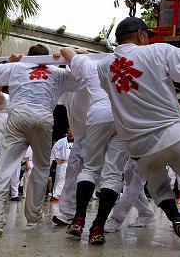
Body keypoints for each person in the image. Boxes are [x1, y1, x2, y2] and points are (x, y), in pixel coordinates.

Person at [97, 16, 180, 249]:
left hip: (137, 142)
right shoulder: (157, 51)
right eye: (147, 35)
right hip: (171, 133)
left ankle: (176, 218)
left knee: (159, 186)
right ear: (141, 35)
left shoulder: (103, 66)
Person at [0, 44, 82, 237]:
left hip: (17, 116)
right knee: (42, 168)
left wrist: (9, 61)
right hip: (43, 118)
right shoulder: (57, 71)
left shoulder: (17, 66)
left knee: (5, 169)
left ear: (28, 56)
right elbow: (79, 78)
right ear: (47, 57)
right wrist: (70, 57)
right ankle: (34, 218)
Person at [59, 47, 128, 245]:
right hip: (123, 117)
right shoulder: (128, 67)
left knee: (90, 168)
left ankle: (78, 219)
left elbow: (66, 51)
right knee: (113, 174)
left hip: (98, 115)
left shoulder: (91, 65)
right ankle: (97, 227)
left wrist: (80, 52)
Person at [52, 86, 90, 226]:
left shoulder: (94, 71)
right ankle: (69, 214)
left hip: (97, 133)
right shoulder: (69, 80)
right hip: (80, 136)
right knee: (72, 172)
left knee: (108, 177)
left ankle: (113, 214)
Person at [104, 158, 156, 232]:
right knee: (129, 174)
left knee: (137, 180)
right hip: (136, 150)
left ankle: (117, 218)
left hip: (150, 149)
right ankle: (146, 213)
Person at [50, 128, 74, 202]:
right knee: (60, 179)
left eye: (72, 131)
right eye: (69, 130)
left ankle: (66, 196)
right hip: (63, 163)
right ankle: (56, 196)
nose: (71, 132)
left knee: (71, 180)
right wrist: (57, 158)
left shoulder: (77, 141)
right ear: (67, 132)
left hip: (73, 163)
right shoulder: (61, 141)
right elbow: (54, 149)